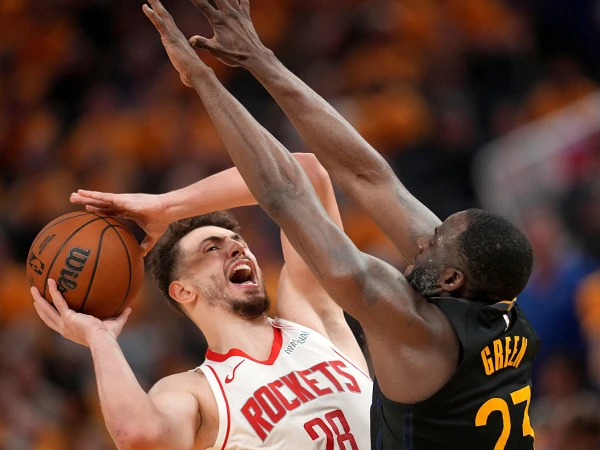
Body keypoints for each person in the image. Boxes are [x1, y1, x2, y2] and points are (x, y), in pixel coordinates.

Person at [73, 1, 541, 449]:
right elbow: (365, 175)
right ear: (181, 290)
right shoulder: (494, 301)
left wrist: (201, 78)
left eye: (434, 241)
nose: (421, 239)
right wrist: (258, 58)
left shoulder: (404, 327)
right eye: (212, 248)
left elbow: (287, 192)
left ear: (451, 279)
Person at [35, 153, 372, 449]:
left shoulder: (310, 315)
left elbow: (305, 174)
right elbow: (137, 435)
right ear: (183, 290)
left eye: (239, 242)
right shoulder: (197, 392)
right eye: (212, 248)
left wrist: (168, 206)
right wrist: (100, 338)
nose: (237, 248)